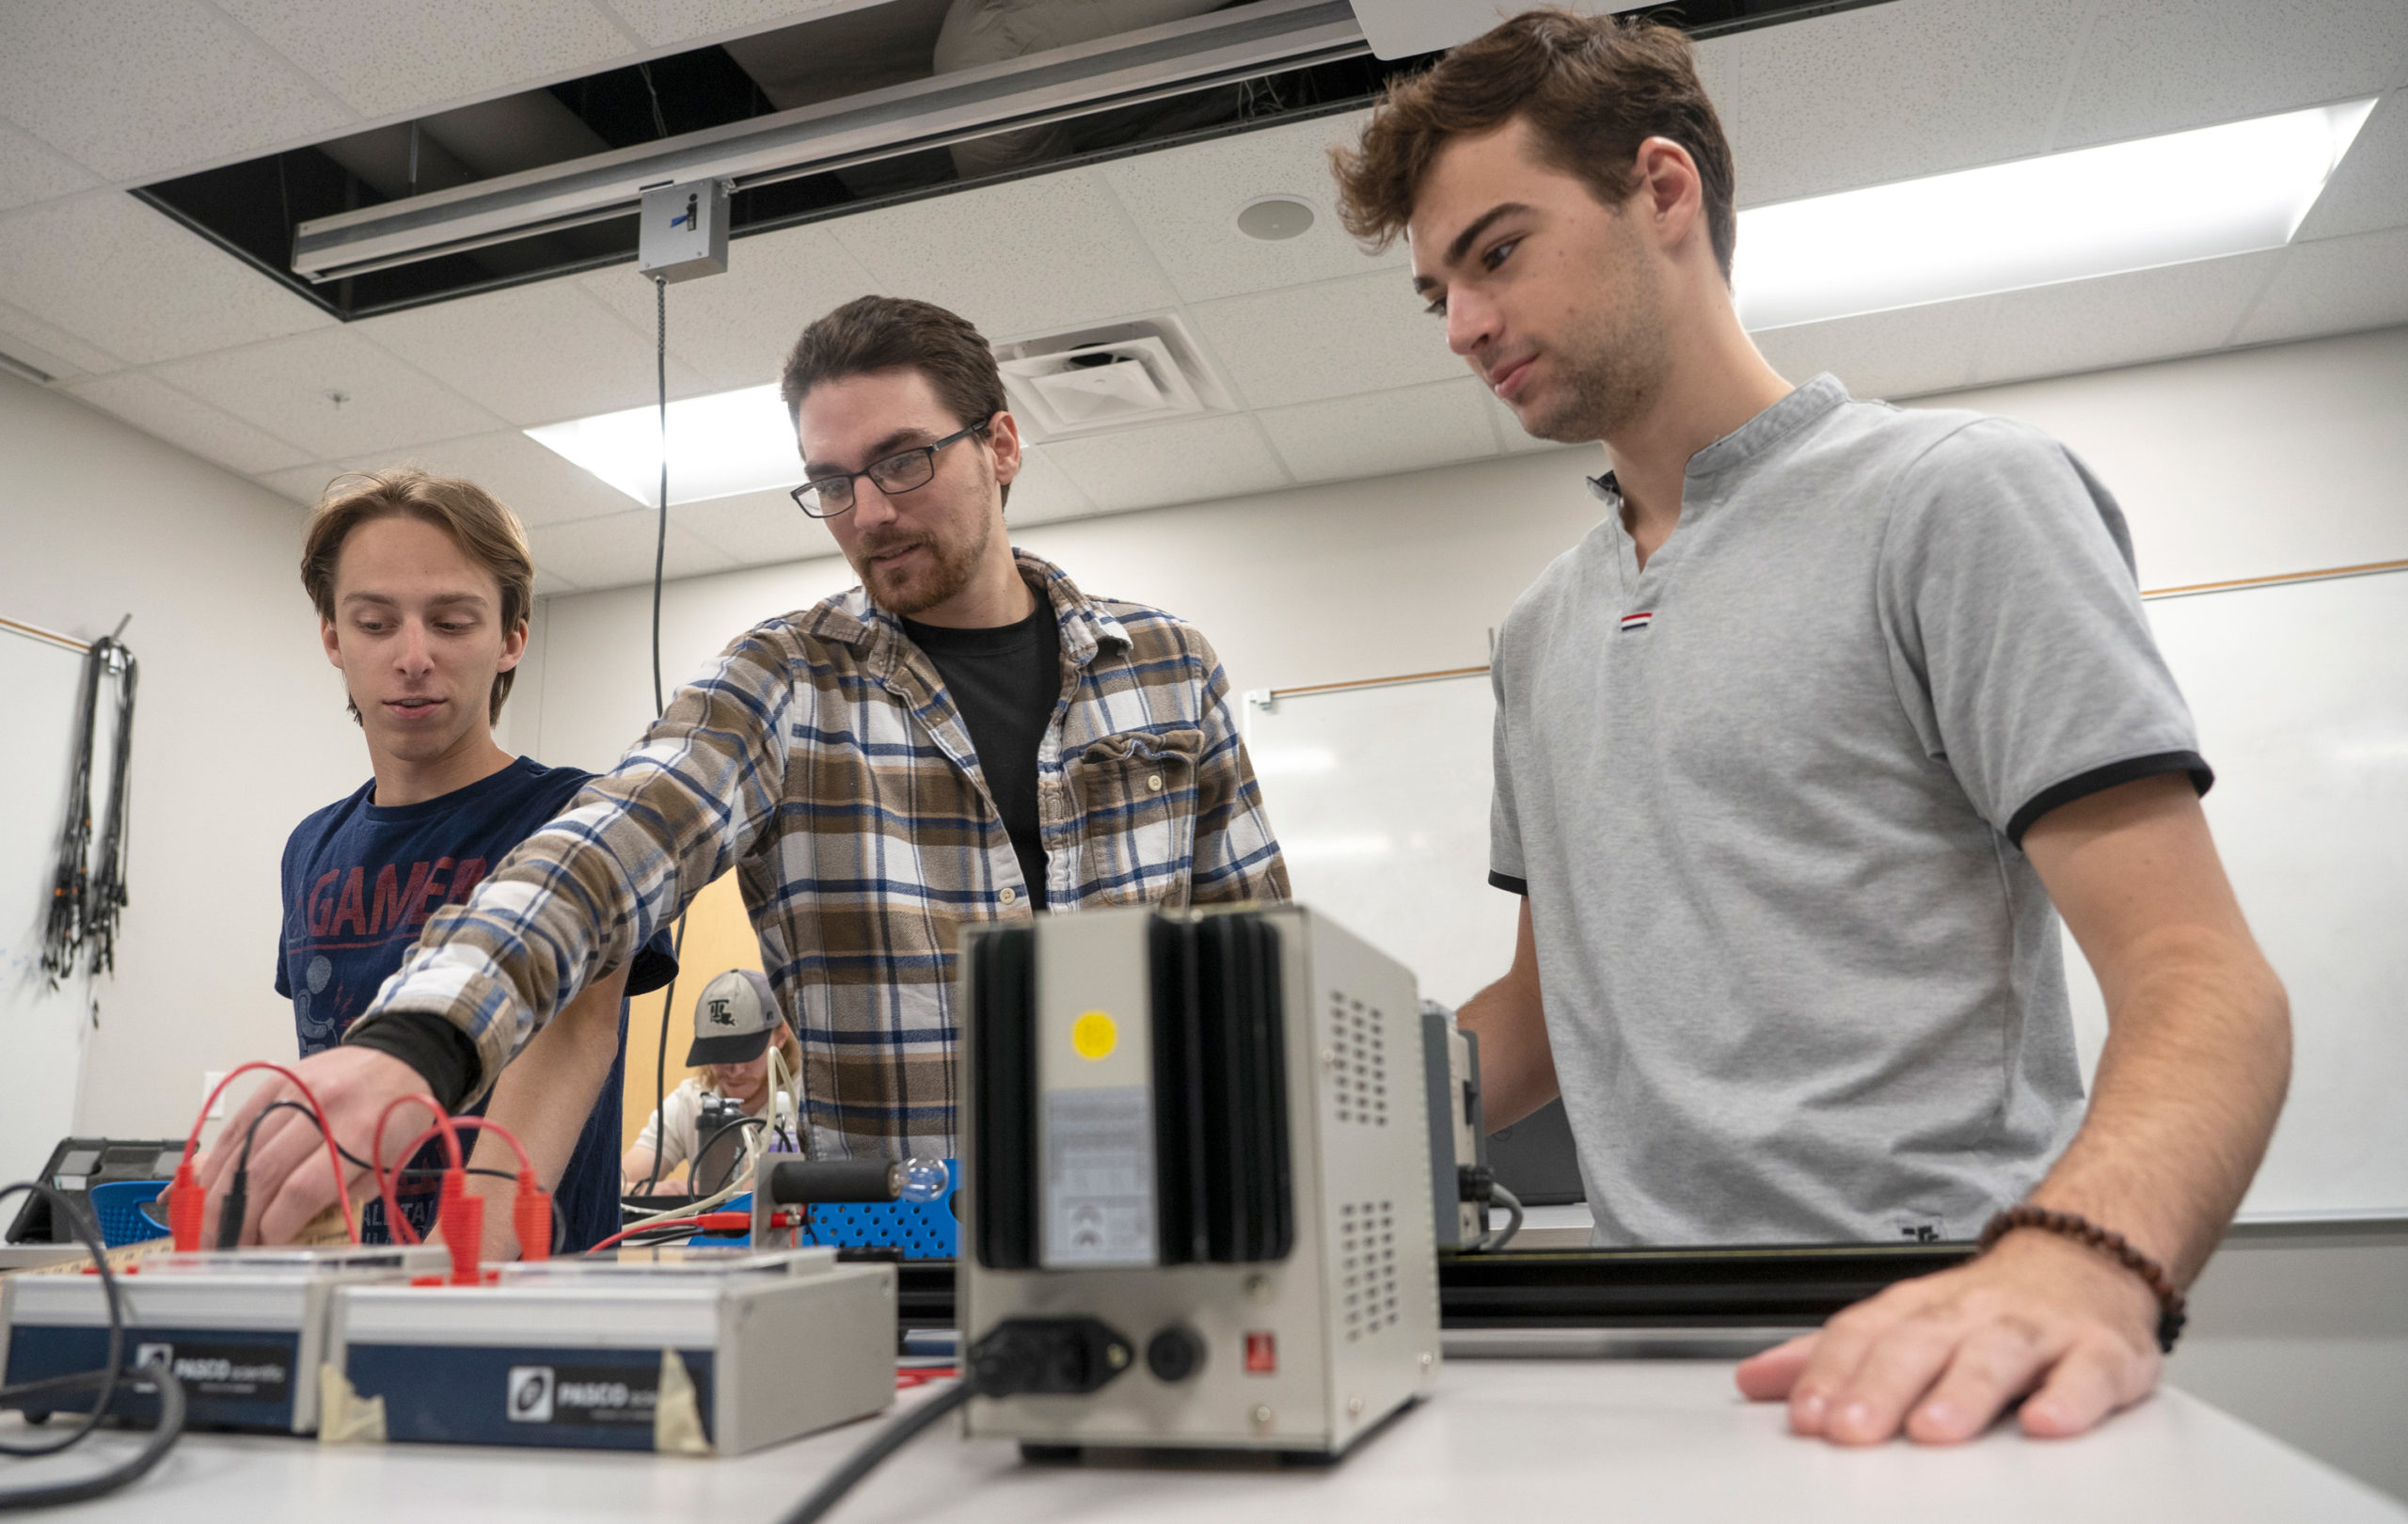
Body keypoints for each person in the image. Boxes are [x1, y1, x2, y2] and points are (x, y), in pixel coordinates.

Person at [1329, 10, 2289, 1447]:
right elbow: (1537, 1018)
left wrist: (2084, 1264)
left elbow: (2204, 980)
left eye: (1497, 251)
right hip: (1635, 1356)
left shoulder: (1956, 499)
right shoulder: (1538, 632)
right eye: (1436, 293)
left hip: (1933, 1331)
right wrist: (1281, 1129)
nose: (1464, 325)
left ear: (1664, 191)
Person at [200, 294, 1287, 1245]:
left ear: (1000, 443)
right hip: (883, 1241)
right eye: (830, 481)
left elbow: (1258, 964)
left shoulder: (1165, 668)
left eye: (903, 460)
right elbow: (606, 845)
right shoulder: (785, 678)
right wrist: (420, 1040)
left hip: (1153, 1215)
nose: (869, 513)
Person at [230, 469, 675, 1253]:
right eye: (374, 623)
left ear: (511, 639)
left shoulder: (581, 817)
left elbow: (574, 1038)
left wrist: (447, 1273)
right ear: (332, 636)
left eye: (451, 621)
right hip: (350, 1286)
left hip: (516, 1292)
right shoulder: (311, 848)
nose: (412, 656)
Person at [621, 969, 803, 1195]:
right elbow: (616, 1185)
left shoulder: (810, 1105)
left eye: (746, 1051)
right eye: (720, 1053)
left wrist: (698, 1193)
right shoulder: (690, 1101)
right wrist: (659, 1192)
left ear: (781, 1036)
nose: (735, 1070)